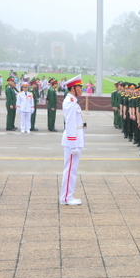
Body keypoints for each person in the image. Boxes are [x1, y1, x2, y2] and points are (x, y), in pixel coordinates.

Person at [60, 74, 86, 205]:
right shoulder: (70, 103)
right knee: (70, 169)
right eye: (80, 87)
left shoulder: (72, 101)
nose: (82, 90)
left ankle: (68, 196)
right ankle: (66, 197)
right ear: (73, 88)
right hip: (72, 141)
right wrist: (73, 145)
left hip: (76, 139)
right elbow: (70, 125)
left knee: (72, 169)